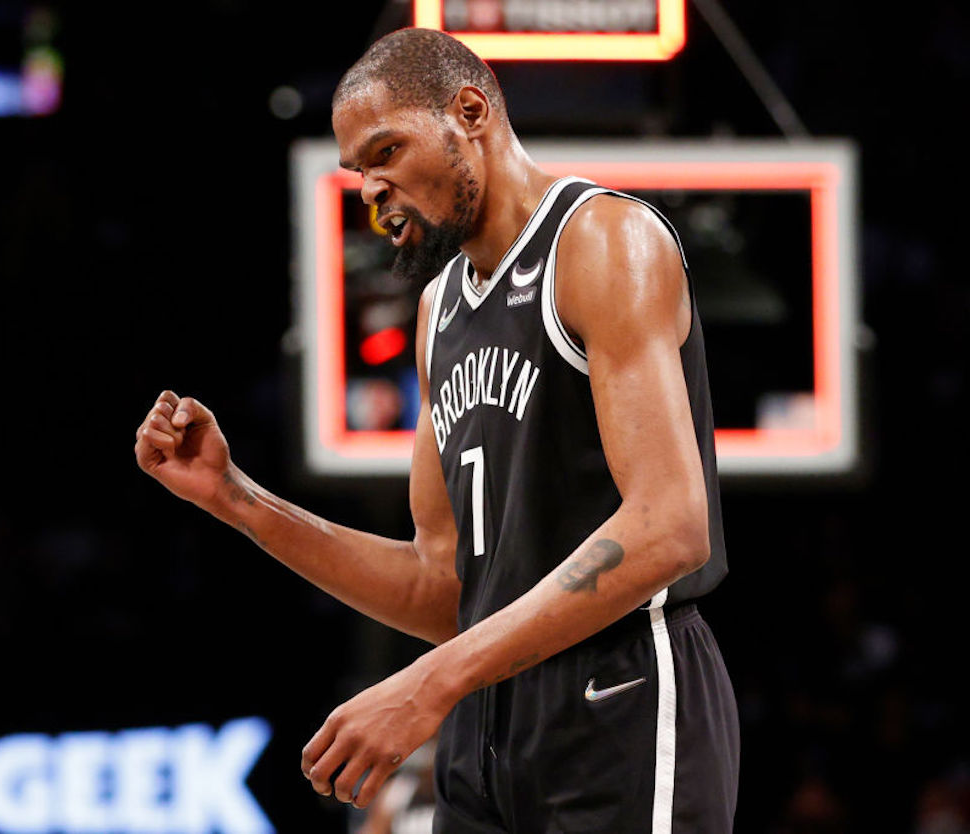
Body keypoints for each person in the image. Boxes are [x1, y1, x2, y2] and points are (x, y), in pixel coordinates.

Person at [134, 27, 739, 833]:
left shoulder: (601, 242)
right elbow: (443, 589)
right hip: (485, 725)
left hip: (620, 692)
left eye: (386, 151)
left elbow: (671, 527)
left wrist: (430, 682)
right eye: (359, 170)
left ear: (470, 112)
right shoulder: (438, 309)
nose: (371, 189)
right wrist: (237, 499)